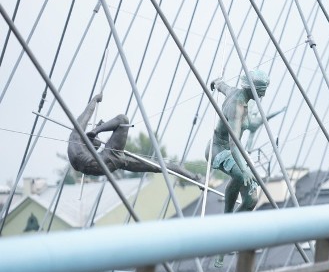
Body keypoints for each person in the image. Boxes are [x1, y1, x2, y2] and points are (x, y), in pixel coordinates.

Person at [69, 93, 201, 182]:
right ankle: (194, 177)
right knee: (123, 119)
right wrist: (94, 103)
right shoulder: (76, 140)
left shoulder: (76, 153)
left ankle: (194, 177)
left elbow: (82, 120)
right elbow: (84, 117)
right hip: (110, 160)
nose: (101, 143)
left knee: (160, 166)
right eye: (98, 143)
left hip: (111, 164)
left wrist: (94, 102)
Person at [206, 70, 270, 217]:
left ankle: (230, 219)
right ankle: (228, 222)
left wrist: (217, 83)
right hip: (220, 150)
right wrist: (244, 169)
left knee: (246, 190)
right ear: (252, 89)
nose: (262, 96)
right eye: (261, 91)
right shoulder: (237, 108)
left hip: (232, 150)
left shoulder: (235, 92)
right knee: (246, 186)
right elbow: (234, 143)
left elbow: (223, 87)